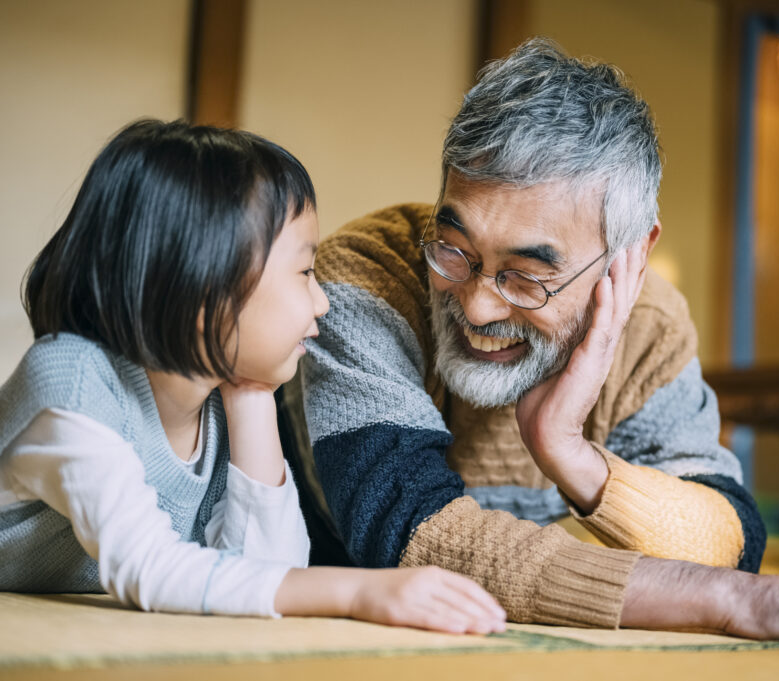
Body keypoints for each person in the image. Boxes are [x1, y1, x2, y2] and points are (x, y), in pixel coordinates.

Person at [282, 39, 779, 657]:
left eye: (527, 276)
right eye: (455, 249)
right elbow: (410, 535)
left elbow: (727, 534)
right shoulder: (365, 278)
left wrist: (570, 452)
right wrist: (746, 603)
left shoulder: (645, 320)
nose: (476, 302)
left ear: (629, 256)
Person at [0, 119, 506, 635]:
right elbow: (149, 568)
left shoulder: (216, 399)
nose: (322, 301)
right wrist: (358, 590)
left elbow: (263, 571)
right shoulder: (74, 385)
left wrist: (252, 396)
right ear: (206, 286)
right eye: (305, 273)